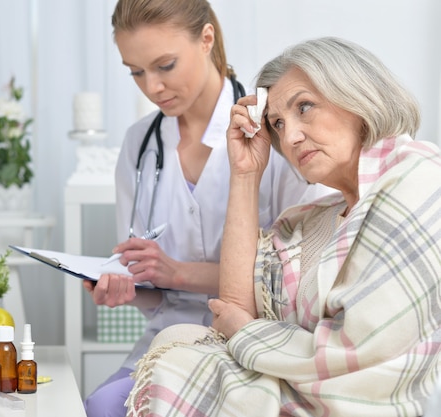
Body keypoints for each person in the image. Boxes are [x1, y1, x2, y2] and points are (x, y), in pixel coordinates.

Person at [124, 36, 441, 417]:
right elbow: (234, 308)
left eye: (304, 107)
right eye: (277, 123)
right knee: (172, 347)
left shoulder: (418, 181)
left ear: (357, 95)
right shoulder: (313, 219)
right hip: (300, 385)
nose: (289, 137)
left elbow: (360, 353)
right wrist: (245, 174)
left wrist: (248, 332)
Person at [83, 2, 334, 416]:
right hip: (169, 339)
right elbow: (155, 292)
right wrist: (124, 283)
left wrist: (177, 272)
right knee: (99, 407)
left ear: (206, 39)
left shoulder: (272, 129)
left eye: (165, 65)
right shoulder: (138, 146)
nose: (152, 87)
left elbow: (296, 281)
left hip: (260, 340)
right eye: (136, 71)